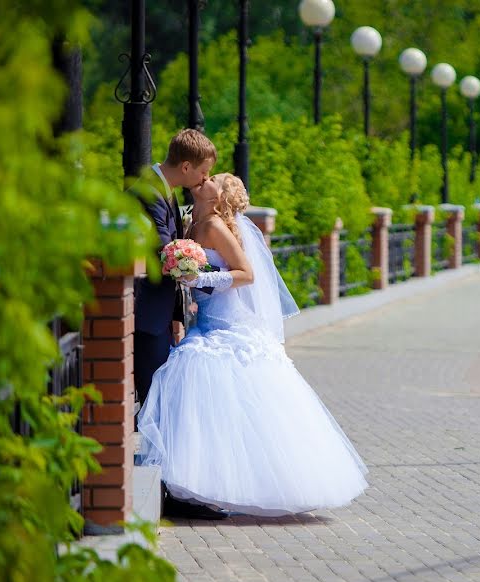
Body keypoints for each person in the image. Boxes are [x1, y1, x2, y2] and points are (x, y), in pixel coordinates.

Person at [137, 173, 369, 518]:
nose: (205, 177)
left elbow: (247, 274)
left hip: (228, 326)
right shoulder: (190, 221)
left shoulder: (216, 226)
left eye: (213, 178)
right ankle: (193, 488)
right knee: (198, 397)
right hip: (204, 323)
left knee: (204, 385)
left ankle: (205, 489)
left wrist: (199, 279)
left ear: (219, 196)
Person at [130, 129, 216, 409]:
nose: (205, 179)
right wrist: (215, 283)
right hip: (146, 310)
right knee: (155, 397)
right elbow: (167, 251)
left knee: (160, 396)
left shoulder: (164, 190)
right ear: (186, 166)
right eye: (204, 172)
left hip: (159, 311)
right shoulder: (150, 192)